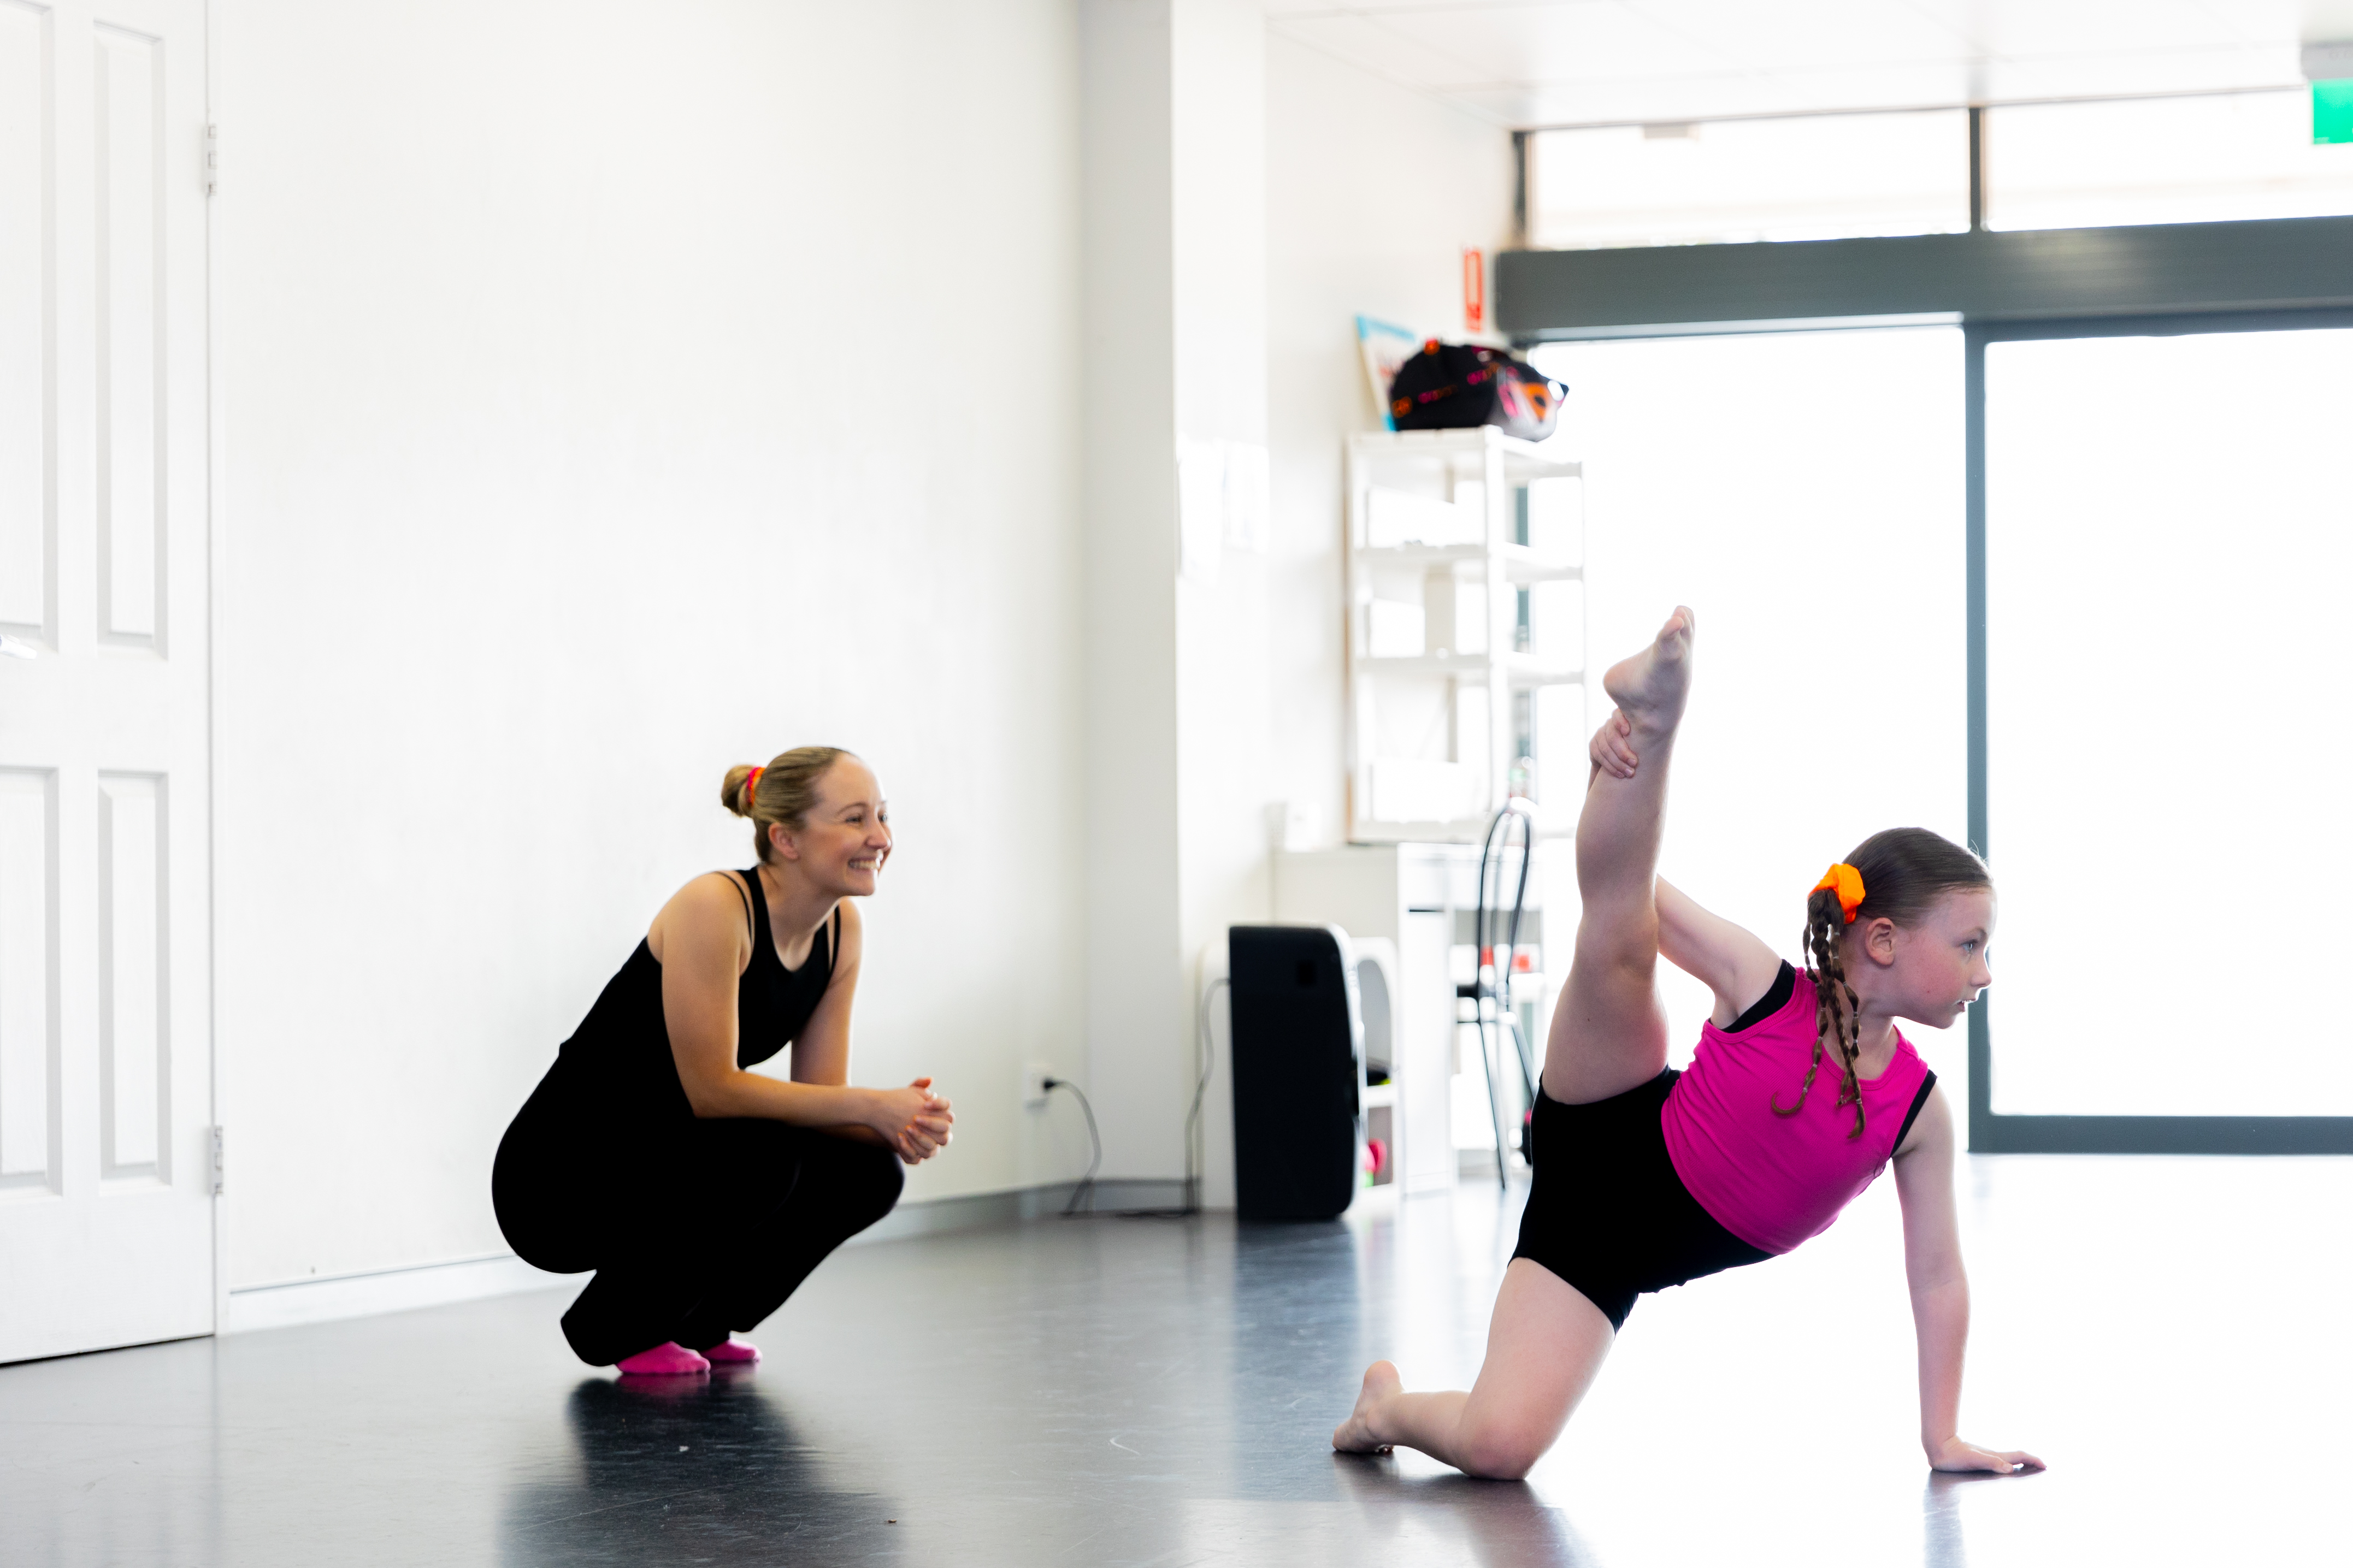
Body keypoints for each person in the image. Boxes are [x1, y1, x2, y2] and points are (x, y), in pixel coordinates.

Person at [1332, 608, 2042, 1480]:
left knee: (1498, 1447)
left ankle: (1385, 1407)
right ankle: (1656, 717)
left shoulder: (1917, 1113)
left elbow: (1936, 1277)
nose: (1984, 971)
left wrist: (1942, 1436)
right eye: (1970, 944)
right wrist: (1613, 776)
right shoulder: (1764, 983)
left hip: (1602, 1243)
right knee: (1620, 932)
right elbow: (1625, 885)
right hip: (1609, 1116)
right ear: (1886, 939)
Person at [494, 747, 952, 1375]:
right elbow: (711, 1091)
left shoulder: (841, 929)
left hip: (668, 1155)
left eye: (881, 816)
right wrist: (871, 1104)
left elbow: (816, 1100)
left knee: (866, 1172)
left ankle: (699, 1319)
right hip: (561, 1176)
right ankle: (617, 1329)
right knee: (763, 1153)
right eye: (854, 819)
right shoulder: (715, 906)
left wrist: (898, 1121)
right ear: (785, 839)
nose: (880, 837)